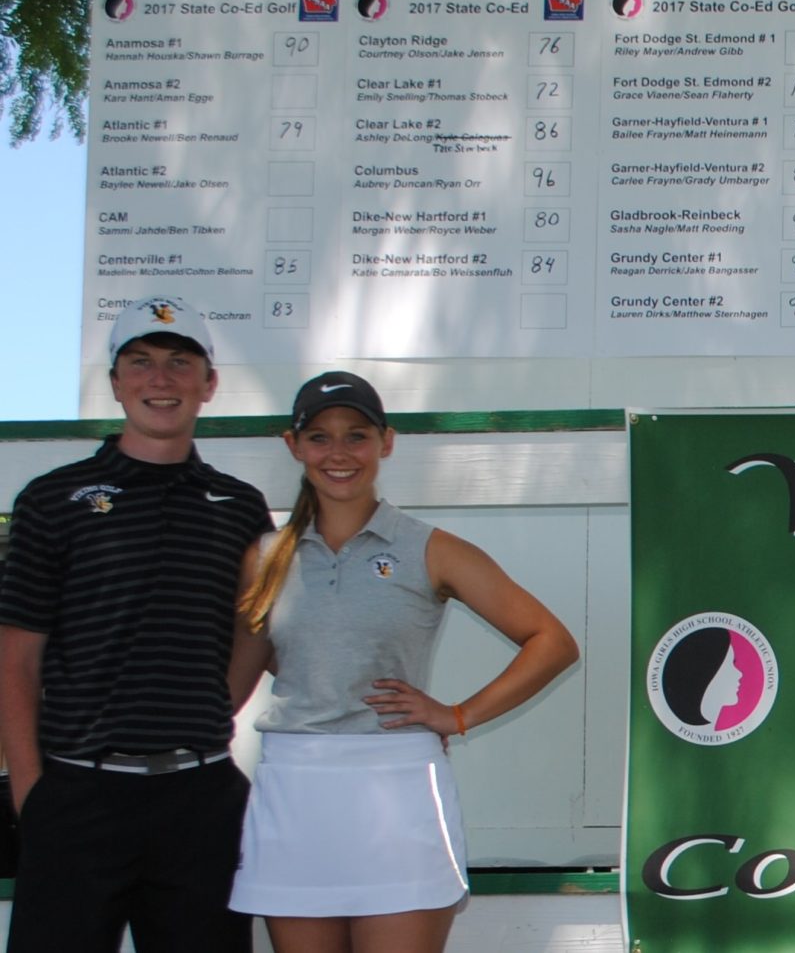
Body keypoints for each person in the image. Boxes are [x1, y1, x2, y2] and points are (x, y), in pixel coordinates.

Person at [225, 370, 579, 953]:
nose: (339, 453)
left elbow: (552, 641)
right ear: (294, 446)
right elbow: (248, 674)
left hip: (397, 785)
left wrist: (458, 715)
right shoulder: (263, 558)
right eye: (319, 437)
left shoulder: (430, 548)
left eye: (357, 436)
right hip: (293, 788)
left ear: (385, 442)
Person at [0, 298, 272, 953]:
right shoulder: (52, 500)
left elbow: (256, 631)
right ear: (116, 382)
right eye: (141, 362)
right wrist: (33, 793)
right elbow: (15, 658)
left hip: (201, 803)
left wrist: (204, 712)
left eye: (180, 363)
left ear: (208, 383)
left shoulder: (240, 507)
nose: (161, 379)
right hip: (76, 796)